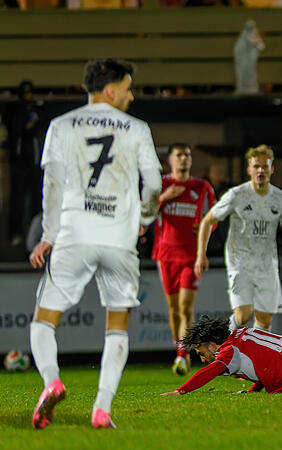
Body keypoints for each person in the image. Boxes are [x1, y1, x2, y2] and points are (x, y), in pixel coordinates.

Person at [28, 59, 161, 429]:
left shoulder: (61, 125)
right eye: (128, 88)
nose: (132, 96)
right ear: (109, 90)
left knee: (44, 319)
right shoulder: (137, 129)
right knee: (117, 326)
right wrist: (144, 221)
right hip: (119, 240)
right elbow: (152, 185)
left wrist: (49, 235)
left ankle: (52, 381)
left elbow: (51, 186)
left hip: (74, 234)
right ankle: (102, 410)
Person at [194, 145, 282, 333]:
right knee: (244, 315)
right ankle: (222, 339)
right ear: (249, 170)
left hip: (266, 263)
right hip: (240, 261)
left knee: (264, 318)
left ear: (272, 169)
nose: (260, 170)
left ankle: (255, 360)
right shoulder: (236, 195)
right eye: (256, 166)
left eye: (264, 166)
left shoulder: (281, 199)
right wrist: (200, 254)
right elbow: (207, 221)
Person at [152, 143, 216, 376]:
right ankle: (179, 347)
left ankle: (181, 355)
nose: (184, 159)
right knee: (173, 309)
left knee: (185, 306)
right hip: (165, 254)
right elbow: (145, 212)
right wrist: (163, 198)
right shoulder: (162, 185)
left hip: (191, 256)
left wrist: (204, 229)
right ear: (170, 160)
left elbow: (214, 217)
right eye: (179, 155)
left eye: (187, 155)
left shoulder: (201, 187)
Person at [2, 80, 46, 245]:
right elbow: (20, 130)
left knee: (37, 201)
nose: (28, 96)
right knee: (17, 201)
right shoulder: (14, 110)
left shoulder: (37, 110)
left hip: (35, 163)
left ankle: (35, 237)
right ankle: (16, 234)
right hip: (19, 163)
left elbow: (39, 126)